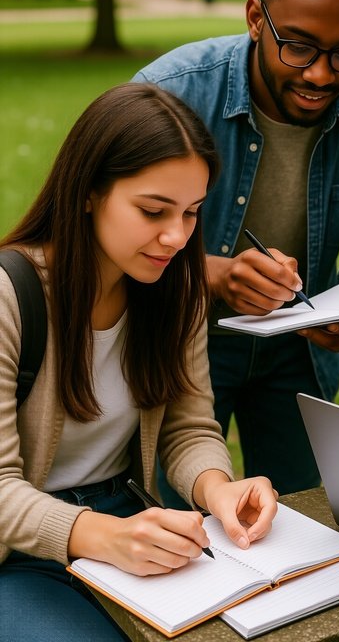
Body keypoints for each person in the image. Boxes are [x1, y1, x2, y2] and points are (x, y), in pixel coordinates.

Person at [133, 0, 339, 495]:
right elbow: (104, 239)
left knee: (304, 523)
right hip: (175, 340)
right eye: (300, 46)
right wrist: (215, 275)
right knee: (168, 519)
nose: (319, 73)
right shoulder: (170, 94)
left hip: (298, 357)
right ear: (256, 18)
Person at [0, 83, 279, 641]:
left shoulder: (177, 291)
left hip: (134, 522)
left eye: (192, 213)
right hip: (21, 549)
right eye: (153, 210)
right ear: (88, 192)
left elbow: (189, 427)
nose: (176, 237)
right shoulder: (12, 295)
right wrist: (98, 534)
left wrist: (215, 488)